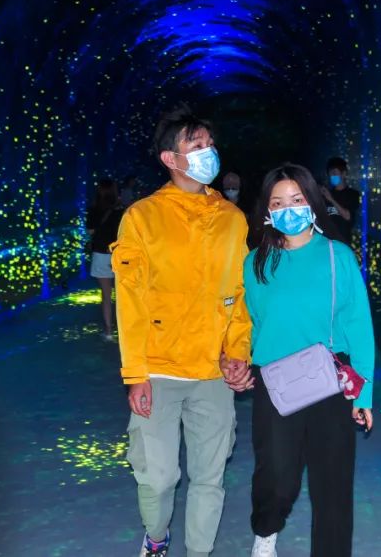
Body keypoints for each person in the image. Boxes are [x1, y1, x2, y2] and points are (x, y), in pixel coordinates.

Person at [111, 106, 252, 557]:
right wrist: (135, 374)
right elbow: (130, 300)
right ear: (170, 159)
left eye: (210, 143)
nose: (209, 152)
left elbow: (240, 294)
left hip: (213, 372)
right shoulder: (142, 217)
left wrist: (238, 353)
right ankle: (156, 537)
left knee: (210, 476)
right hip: (159, 369)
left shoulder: (232, 219)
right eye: (196, 145)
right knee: (157, 477)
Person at [244, 163, 375, 557]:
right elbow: (252, 322)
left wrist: (364, 394)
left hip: (328, 380)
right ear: (267, 210)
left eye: (297, 199)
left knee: (332, 486)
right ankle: (266, 530)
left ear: (313, 202)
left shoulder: (339, 257)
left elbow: (359, 325)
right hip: (274, 381)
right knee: (277, 476)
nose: (288, 209)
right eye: (278, 202)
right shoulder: (256, 262)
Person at [86, 178, 125, 341]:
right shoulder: (121, 210)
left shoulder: (93, 210)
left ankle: (108, 331)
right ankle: (125, 331)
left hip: (101, 254)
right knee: (124, 295)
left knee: (106, 295)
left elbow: (90, 232)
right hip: (119, 254)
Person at [319, 157, 361, 246]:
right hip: (327, 242)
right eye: (330, 174)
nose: (332, 176)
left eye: (334, 173)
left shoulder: (353, 194)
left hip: (343, 242)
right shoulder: (326, 193)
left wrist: (331, 199)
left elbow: (347, 216)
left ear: (344, 174)